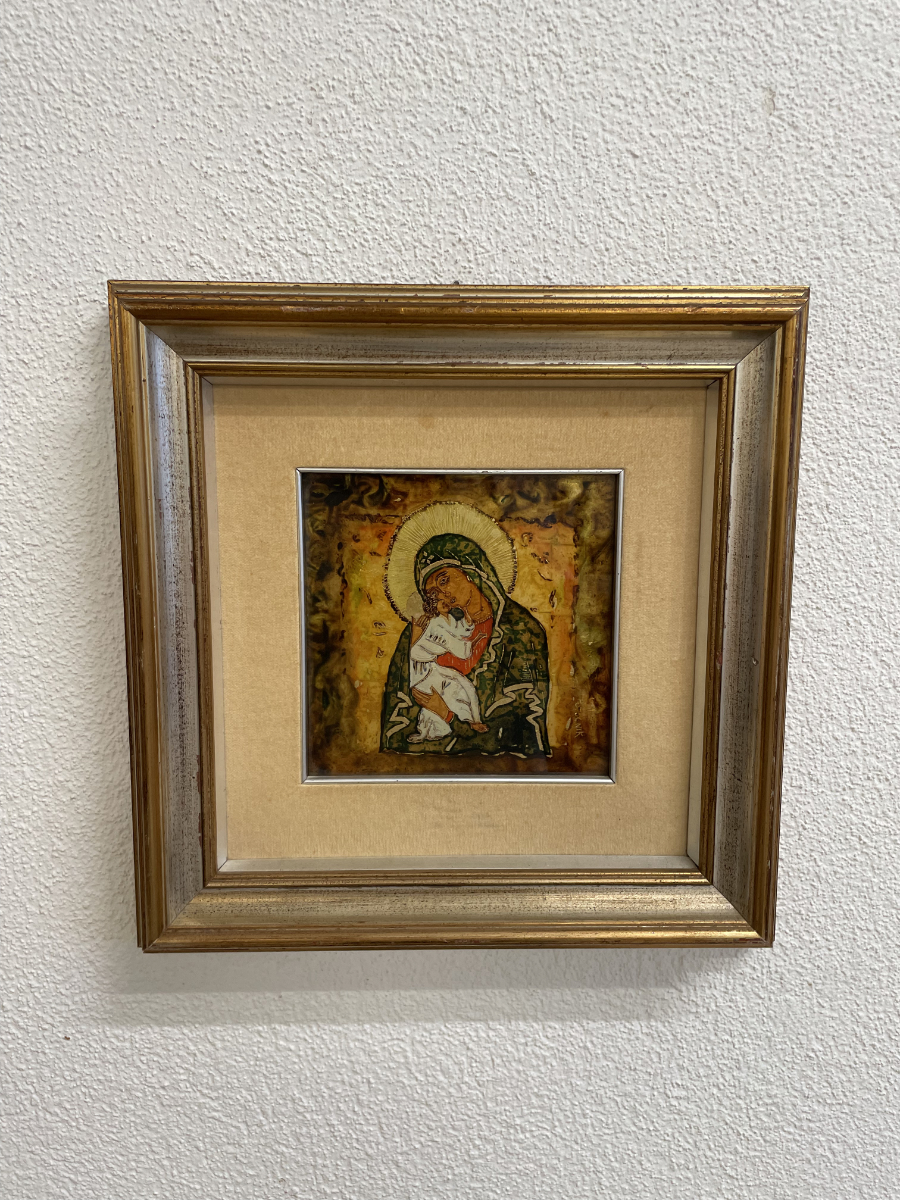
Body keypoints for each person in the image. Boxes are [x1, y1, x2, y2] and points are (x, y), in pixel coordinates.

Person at [380, 530, 550, 759]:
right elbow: (395, 725)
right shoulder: (418, 633)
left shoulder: (521, 630)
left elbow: (525, 727)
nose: (442, 593)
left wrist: (449, 716)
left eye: (444, 580)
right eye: (433, 593)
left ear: (471, 571)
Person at [407, 601, 489, 742]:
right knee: (442, 692)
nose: (446, 603)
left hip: (431, 665)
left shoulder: (450, 620)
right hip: (420, 669)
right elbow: (453, 644)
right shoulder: (432, 621)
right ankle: (433, 729)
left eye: (447, 601)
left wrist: (466, 612)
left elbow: (465, 630)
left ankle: (472, 720)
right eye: (440, 601)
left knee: (464, 685)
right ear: (433, 604)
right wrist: (473, 641)